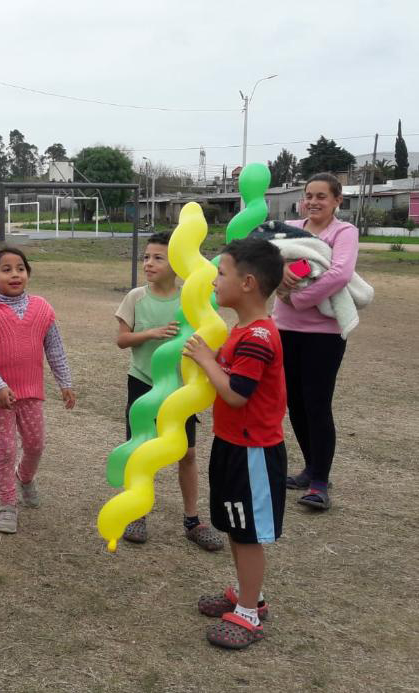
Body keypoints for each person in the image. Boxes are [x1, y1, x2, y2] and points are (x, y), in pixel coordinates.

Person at [182, 237, 286, 650]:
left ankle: (249, 612)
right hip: (231, 443)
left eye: (220, 273)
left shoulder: (258, 336)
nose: (213, 281)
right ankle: (248, 594)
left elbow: (237, 393)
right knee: (233, 524)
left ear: (246, 283)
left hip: (253, 451)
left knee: (247, 533)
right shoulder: (240, 330)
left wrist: (207, 360)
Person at [115, 231, 222, 551]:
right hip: (143, 382)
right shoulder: (136, 297)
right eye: (146, 257)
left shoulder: (190, 297)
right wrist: (151, 333)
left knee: (187, 453)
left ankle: (192, 520)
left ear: (176, 264)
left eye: (158, 258)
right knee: (139, 449)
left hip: (180, 390)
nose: (149, 263)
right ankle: (136, 512)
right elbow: (122, 340)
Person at [0, 247, 75, 534]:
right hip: (0, 398)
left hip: (31, 394)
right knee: (5, 450)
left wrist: (65, 383)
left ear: (28, 273)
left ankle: (26, 477)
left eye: (20, 268)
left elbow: (54, 348)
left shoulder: (43, 308)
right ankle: (7, 503)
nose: (14, 274)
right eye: (6, 269)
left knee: (35, 445)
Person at [273, 173, 359, 511]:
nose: (313, 201)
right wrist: (278, 271)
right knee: (294, 402)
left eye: (322, 196)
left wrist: (299, 299)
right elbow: (263, 259)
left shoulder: (344, 232)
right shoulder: (290, 227)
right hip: (285, 328)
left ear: (337, 200)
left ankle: (321, 482)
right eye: (309, 195)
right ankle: (310, 468)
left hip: (323, 334)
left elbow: (340, 274)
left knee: (317, 404)